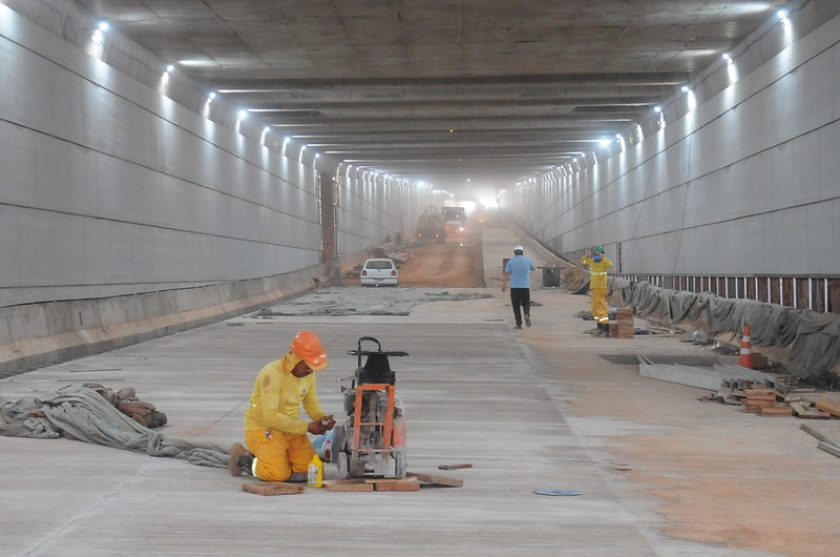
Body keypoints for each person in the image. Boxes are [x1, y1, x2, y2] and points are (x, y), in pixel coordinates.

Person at [229, 330, 335, 481]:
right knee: (277, 474)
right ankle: (244, 458)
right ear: (296, 360)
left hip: (289, 428)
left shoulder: (308, 375)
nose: (310, 371)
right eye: (308, 366)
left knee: (312, 470)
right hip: (263, 429)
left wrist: (321, 418)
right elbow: (271, 418)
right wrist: (306, 427)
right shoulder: (272, 375)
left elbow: (311, 403)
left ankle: (278, 458)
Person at [579, 246, 613, 334]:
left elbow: (610, 264)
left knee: (600, 307)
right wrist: (587, 255)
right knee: (595, 308)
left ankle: (605, 326)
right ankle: (599, 325)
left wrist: (603, 257)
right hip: (594, 288)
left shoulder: (604, 262)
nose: (595, 256)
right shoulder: (592, 262)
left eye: (596, 254)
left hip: (601, 288)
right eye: (594, 254)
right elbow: (582, 261)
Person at [504, 245, 536, 329]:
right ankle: (526, 313)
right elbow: (533, 268)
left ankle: (519, 324)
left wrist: (504, 285)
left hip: (514, 287)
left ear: (514, 252)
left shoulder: (511, 261)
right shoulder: (527, 260)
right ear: (522, 252)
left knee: (516, 306)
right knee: (526, 302)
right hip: (525, 286)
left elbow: (506, 273)